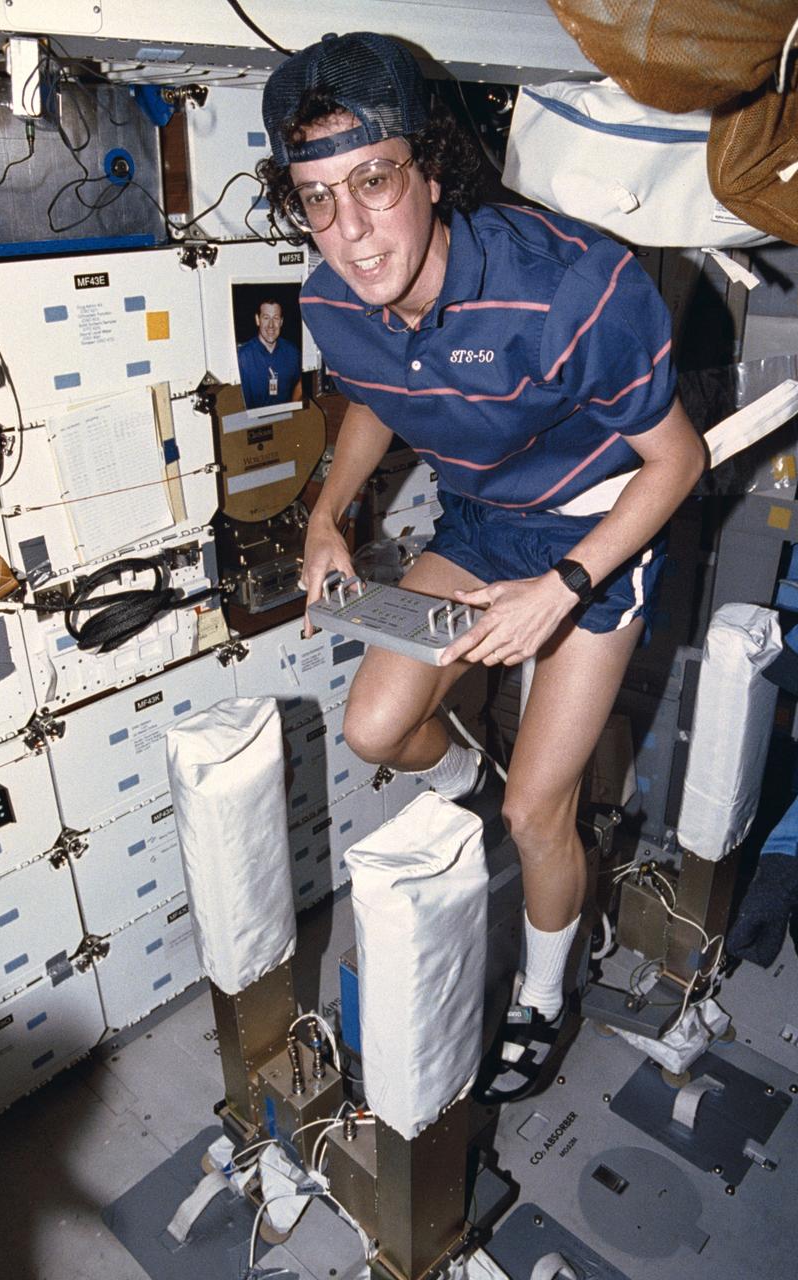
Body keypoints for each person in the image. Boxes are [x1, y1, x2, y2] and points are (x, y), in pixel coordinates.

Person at [260, 33, 705, 1043]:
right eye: (317, 197)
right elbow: (382, 388)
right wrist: (330, 515)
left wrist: (564, 586)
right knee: (376, 727)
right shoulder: (335, 298)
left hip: (598, 532)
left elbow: (678, 463)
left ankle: (545, 997)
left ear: (430, 164)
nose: (352, 230)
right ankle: (473, 774)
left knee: (534, 815)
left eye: (374, 180)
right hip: (481, 525)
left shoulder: (573, 288)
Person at [237, 297, 302, 408]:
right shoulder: (242, 356)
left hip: (284, 422)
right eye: (266, 318)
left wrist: (291, 410)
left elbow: (300, 383)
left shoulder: (292, 352)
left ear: (281, 322)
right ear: (258, 320)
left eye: (276, 318)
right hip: (253, 423)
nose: (271, 325)